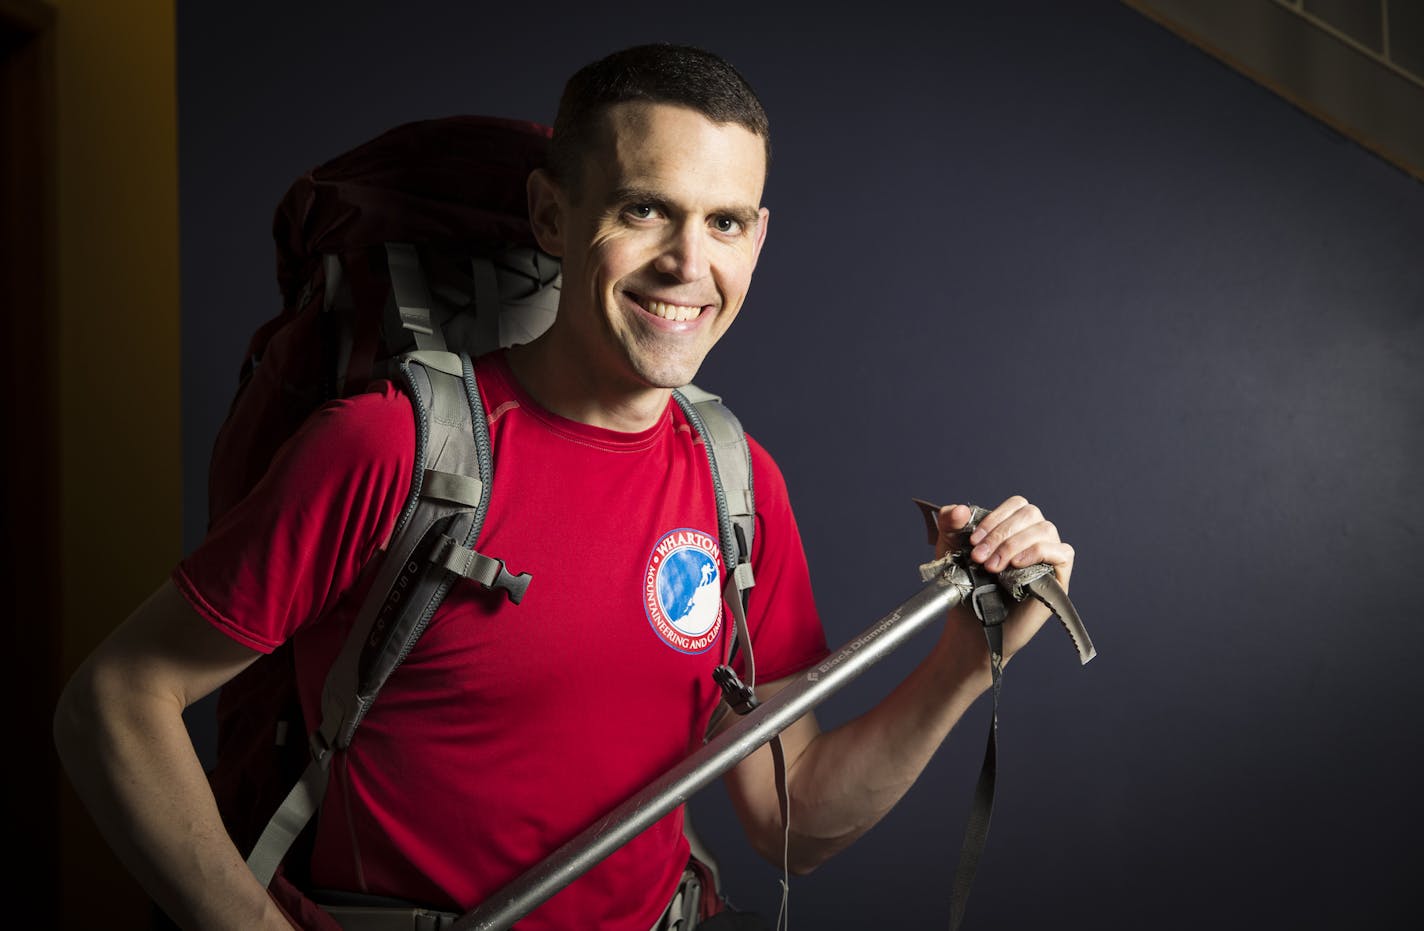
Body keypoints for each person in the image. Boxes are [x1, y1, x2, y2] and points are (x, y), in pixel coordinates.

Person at [53, 43, 1075, 931]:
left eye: (723, 223)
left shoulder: (736, 478)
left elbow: (792, 818)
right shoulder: (389, 447)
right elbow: (114, 697)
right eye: (644, 210)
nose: (687, 263)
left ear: (756, 238)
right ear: (552, 213)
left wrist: (967, 654)